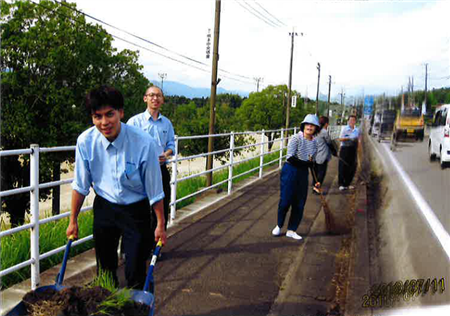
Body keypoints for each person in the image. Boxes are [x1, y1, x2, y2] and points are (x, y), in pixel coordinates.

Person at [66, 86, 166, 289]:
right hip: (105, 207)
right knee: (105, 269)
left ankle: (139, 307)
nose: (104, 123)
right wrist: (72, 220)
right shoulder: (85, 142)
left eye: (110, 114)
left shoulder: (143, 143)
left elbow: (155, 190)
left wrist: (161, 224)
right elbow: (80, 185)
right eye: (97, 116)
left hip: (136, 209)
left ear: (121, 112)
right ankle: (108, 307)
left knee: (135, 269)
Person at [127, 86, 175, 240]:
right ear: (145, 98)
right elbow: (127, 146)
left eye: (159, 96)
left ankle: (156, 246)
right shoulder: (134, 122)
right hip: (139, 173)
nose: (155, 98)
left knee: (162, 207)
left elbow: (171, 146)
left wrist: (165, 155)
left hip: (160, 170)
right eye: (152, 95)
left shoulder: (166, 123)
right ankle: (134, 248)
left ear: (163, 100)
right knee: (138, 210)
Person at [272, 114, 320, 240]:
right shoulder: (296, 138)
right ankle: (279, 224)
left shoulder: (315, 143)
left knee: (299, 203)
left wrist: (316, 181)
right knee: (285, 200)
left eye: (312, 125)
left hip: (303, 174)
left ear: (316, 128)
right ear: (303, 125)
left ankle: (292, 229)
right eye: (307, 124)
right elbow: (291, 158)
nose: (309, 127)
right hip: (290, 171)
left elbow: (313, 163)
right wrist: (307, 163)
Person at [311, 116, 333, 195]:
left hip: (313, 156)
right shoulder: (324, 132)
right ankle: (317, 189)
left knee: (315, 174)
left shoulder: (314, 131)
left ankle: (314, 188)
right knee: (321, 174)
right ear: (326, 124)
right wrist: (335, 152)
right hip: (322, 156)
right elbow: (329, 143)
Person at [338, 115, 360, 191]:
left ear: (355, 121)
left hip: (353, 149)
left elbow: (358, 140)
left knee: (351, 167)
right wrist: (348, 138)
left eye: (353, 120)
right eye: (350, 120)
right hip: (345, 149)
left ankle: (347, 184)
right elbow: (340, 139)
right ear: (348, 121)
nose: (351, 122)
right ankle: (341, 183)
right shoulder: (344, 129)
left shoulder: (357, 130)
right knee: (342, 166)